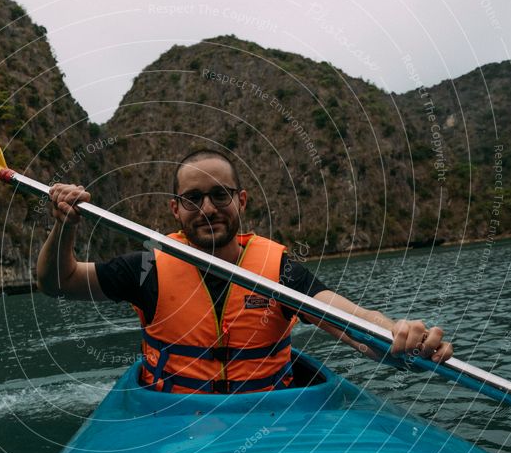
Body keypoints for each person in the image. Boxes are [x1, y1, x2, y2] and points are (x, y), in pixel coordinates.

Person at [37, 150, 453, 393]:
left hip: (268, 418)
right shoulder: (146, 268)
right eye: (193, 198)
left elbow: (349, 322)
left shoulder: (280, 269)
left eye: (220, 195)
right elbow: (58, 282)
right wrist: (64, 226)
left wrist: (397, 332)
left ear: (242, 200)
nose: (208, 208)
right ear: (175, 208)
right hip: (174, 420)